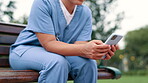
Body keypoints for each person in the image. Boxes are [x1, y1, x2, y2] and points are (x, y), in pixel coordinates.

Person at [9, 0, 119, 83]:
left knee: (88, 63)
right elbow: (49, 44)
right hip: (24, 52)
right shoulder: (43, 3)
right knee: (57, 62)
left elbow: (79, 47)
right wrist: (84, 49)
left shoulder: (85, 12)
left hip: (58, 54)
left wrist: (97, 50)